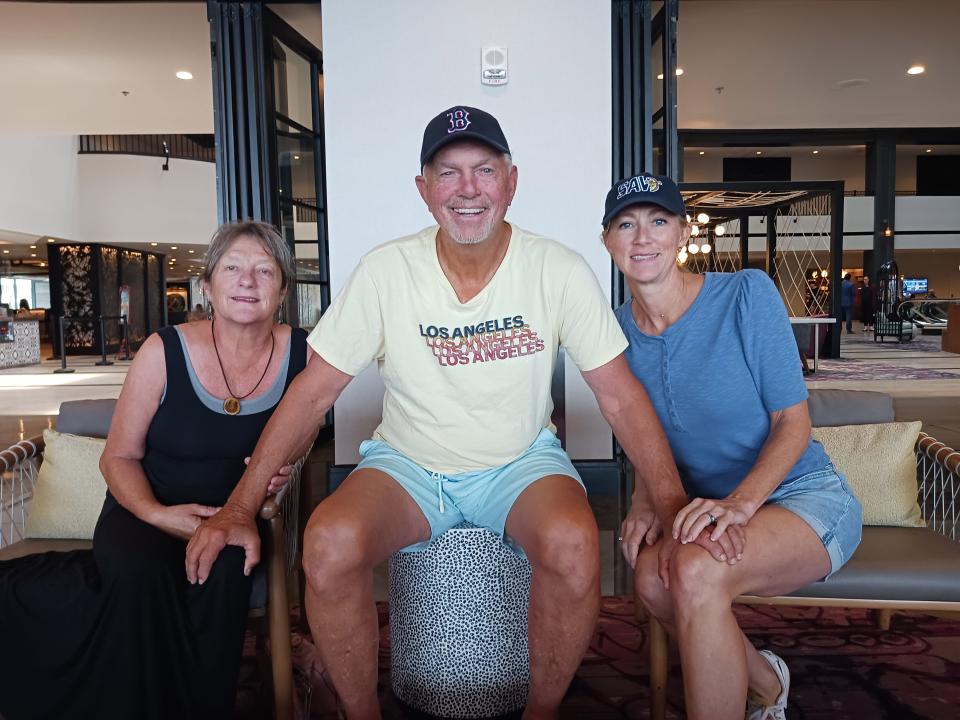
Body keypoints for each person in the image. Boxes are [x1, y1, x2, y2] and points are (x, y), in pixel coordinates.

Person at [185, 106, 737, 719]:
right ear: (424, 191)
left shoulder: (556, 268)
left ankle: (541, 711)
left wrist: (668, 500)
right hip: (407, 465)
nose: (468, 189)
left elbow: (619, 394)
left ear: (511, 181)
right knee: (328, 543)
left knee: (575, 544)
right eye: (448, 173)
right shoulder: (386, 270)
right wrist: (239, 506)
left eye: (483, 170)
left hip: (519, 463)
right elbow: (314, 393)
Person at [0, 221, 313, 720]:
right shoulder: (163, 350)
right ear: (207, 287)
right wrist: (157, 514)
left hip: (236, 513)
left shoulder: (303, 355)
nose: (247, 281)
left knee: (223, 572)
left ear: (283, 289)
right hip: (143, 505)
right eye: (232, 268)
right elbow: (117, 456)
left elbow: (307, 427)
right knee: (140, 573)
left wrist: (287, 463)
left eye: (263, 270)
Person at [602, 173, 863, 720]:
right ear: (608, 241)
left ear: (681, 233)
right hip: (704, 511)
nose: (642, 237)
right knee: (651, 579)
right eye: (626, 224)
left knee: (694, 571)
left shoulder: (745, 293)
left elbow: (794, 423)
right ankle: (767, 683)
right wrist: (646, 499)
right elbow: (645, 437)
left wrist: (738, 506)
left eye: (658, 222)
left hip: (802, 498)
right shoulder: (613, 335)